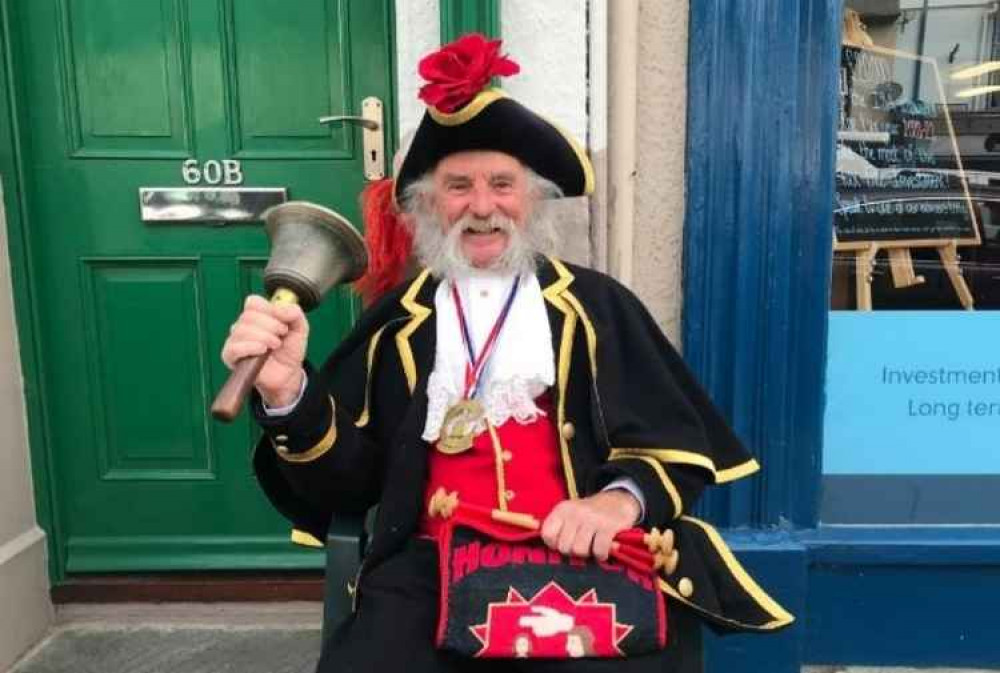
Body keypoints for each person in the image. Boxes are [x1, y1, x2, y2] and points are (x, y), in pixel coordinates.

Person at [222, 33, 791, 673]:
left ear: (534, 199)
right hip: (428, 571)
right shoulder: (397, 323)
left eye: (502, 184)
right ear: (427, 205)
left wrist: (616, 503)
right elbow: (348, 483)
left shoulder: (599, 307)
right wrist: (288, 393)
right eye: (459, 185)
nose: (483, 207)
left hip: (583, 562)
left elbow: (674, 449)